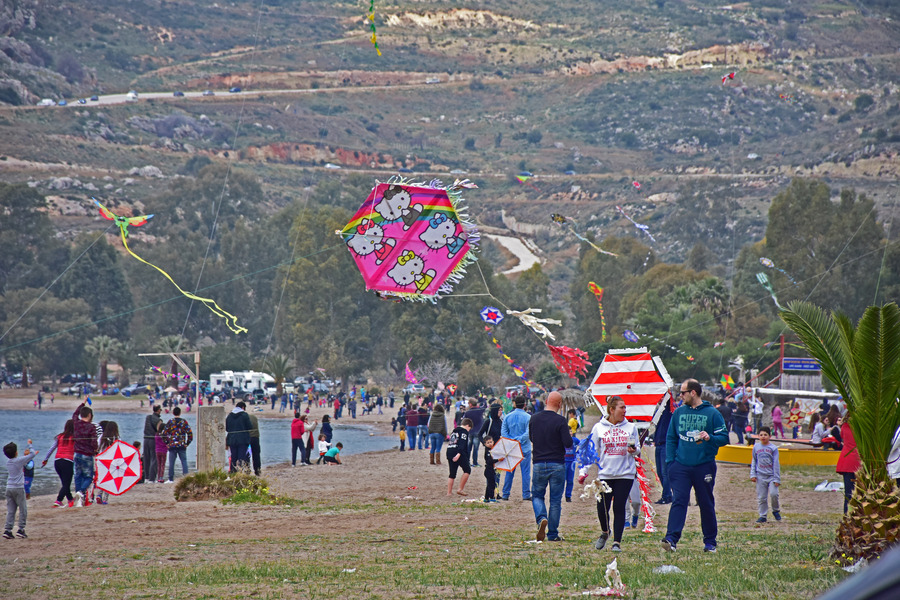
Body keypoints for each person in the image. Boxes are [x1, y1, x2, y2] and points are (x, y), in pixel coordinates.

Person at [661, 379, 729, 553]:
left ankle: (710, 542)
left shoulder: (712, 413)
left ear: (693, 393)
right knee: (679, 500)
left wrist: (710, 438)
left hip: (704, 465)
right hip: (680, 466)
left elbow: (724, 438)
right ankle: (671, 539)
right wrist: (671, 463)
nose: (680, 396)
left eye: (683, 392)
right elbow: (671, 438)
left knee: (706, 503)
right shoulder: (679, 413)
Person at [577, 396, 637, 551]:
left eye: (625, 407)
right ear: (611, 409)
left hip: (625, 474)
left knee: (619, 507)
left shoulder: (631, 427)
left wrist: (634, 450)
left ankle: (617, 542)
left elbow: (637, 449)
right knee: (602, 508)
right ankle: (605, 531)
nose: (625, 410)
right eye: (621, 407)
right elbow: (591, 451)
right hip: (605, 475)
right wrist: (583, 471)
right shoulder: (599, 428)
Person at [530, 391, 573, 543]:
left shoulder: (534, 419)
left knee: (536, 495)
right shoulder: (561, 421)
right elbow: (568, 443)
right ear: (560, 404)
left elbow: (531, 438)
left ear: (546, 400)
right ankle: (553, 534)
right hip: (557, 464)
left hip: (539, 463)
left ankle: (541, 517)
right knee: (555, 500)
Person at [500, 396, 532, 501]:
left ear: (514, 404)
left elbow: (504, 433)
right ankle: (526, 494)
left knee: (509, 472)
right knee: (526, 473)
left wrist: (512, 440)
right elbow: (528, 433)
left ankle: (505, 494)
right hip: (524, 448)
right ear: (524, 405)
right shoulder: (528, 417)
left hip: (511, 448)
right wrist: (519, 440)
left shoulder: (507, 417)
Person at [5, 442, 38, 539]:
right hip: (18, 488)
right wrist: (30, 444)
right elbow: (32, 454)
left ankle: (8, 530)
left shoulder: (8, 462)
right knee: (23, 509)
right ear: (16, 453)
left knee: (11, 510)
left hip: (9, 487)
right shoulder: (18, 460)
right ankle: (21, 529)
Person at [749, 426, 781, 523]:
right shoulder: (756, 447)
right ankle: (762, 516)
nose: (763, 437)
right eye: (761, 435)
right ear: (758, 436)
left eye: (765, 435)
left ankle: (775, 510)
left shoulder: (773, 448)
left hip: (771, 476)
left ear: (770, 436)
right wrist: (753, 474)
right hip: (760, 476)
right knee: (762, 497)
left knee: (774, 494)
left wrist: (777, 479)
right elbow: (754, 460)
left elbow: (776, 464)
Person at [42, 419, 75, 507]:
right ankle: (58, 500)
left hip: (57, 462)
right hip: (67, 462)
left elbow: (52, 448)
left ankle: (70, 499)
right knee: (66, 483)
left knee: (65, 483)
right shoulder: (74, 438)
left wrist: (46, 459)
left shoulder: (60, 436)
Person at [72, 402, 99, 507]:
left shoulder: (76, 423)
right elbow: (93, 441)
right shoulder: (92, 427)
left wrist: (82, 404)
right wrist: (95, 449)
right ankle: (81, 492)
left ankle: (79, 498)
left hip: (77, 453)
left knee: (78, 476)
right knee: (88, 477)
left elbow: (74, 414)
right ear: (89, 415)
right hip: (87, 454)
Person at [835, 415, 860, 514]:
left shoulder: (845, 426)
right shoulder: (861, 426)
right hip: (858, 460)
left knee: (848, 492)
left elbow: (842, 436)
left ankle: (847, 514)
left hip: (846, 460)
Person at [162, 407, 193, 483]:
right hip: (182, 445)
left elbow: (164, 433)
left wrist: (167, 443)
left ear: (173, 413)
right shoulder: (184, 422)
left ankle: (170, 479)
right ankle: (186, 477)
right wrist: (187, 443)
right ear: (180, 413)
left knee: (171, 463)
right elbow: (190, 434)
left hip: (172, 445)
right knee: (184, 461)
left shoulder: (170, 422)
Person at [653, 397, 674, 505]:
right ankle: (669, 495)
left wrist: (665, 391)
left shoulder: (668, 411)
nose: (659, 399)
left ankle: (666, 496)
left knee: (665, 473)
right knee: (660, 473)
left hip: (665, 444)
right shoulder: (659, 412)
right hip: (658, 444)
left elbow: (668, 400)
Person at [446, 418, 473, 496]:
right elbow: (462, 443)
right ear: (468, 425)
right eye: (469, 429)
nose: (469, 431)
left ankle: (449, 492)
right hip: (458, 453)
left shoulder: (454, 431)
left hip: (449, 451)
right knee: (467, 470)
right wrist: (458, 454)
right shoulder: (464, 432)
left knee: (452, 474)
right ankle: (460, 489)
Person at [96, 421, 120, 503]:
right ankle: (105, 499)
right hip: (111, 461)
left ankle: (99, 494)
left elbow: (97, 446)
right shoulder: (116, 437)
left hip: (101, 460)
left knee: (101, 478)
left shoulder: (102, 436)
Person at [226, 402, 252, 473]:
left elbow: (227, 428)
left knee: (233, 457)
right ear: (243, 407)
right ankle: (240, 472)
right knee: (241, 457)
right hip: (243, 440)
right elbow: (250, 427)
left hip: (232, 440)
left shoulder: (229, 415)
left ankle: (232, 472)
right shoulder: (244, 415)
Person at [142, 405, 163, 483]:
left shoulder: (148, 417)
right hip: (153, 440)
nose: (161, 411)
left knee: (146, 458)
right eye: (160, 409)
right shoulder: (159, 420)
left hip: (145, 439)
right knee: (154, 459)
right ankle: (152, 478)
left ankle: (146, 478)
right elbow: (159, 431)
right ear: (158, 410)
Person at [463, 398, 485, 466]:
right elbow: (485, 405)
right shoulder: (480, 411)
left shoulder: (467, 412)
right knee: (475, 448)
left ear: (470, 404)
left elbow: (464, 421)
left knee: (468, 448)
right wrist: (483, 400)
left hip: (469, 431)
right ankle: (475, 462)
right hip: (477, 431)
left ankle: (467, 462)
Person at [483, 436, 498, 503]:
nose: (490, 444)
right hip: (488, 470)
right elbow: (489, 461)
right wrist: (498, 460)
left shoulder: (493, 450)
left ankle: (486, 498)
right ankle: (491, 497)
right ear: (485, 444)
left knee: (490, 484)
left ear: (493, 442)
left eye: (491, 442)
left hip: (491, 470)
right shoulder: (487, 451)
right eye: (488, 443)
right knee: (491, 484)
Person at [247, 411, 262, 476]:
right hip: (255, 438)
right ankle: (257, 469)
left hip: (248, 438)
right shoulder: (254, 417)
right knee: (256, 454)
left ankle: (247, 469)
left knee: (247, 455)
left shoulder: (245, 418)